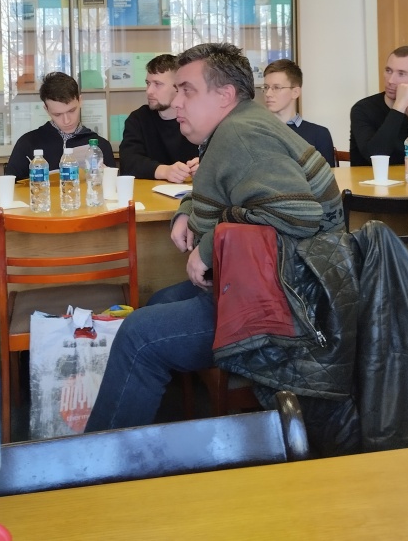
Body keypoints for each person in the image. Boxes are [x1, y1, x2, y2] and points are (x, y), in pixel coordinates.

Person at [85, 42, 344, 435]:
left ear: (225, 95)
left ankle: (101, 461)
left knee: (138, 334)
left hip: (290, 300)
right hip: (269, 280)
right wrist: (188, 209)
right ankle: (160, 432)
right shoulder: (239, 124)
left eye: (187, 91)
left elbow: (297, 213)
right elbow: (231, 187)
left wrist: (208, 247)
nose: (176, 101)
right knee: (160, 302)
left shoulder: (240, 134)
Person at [5, 72, 115, 177]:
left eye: (71, 111)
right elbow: (11, 186)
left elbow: (112, 188)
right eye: (57, 114)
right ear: (46, 109)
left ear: (80, 101)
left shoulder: (100, 146)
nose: (67, 121)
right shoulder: (28, 144)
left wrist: (106, 177)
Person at [119, 53, 199, 181]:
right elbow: (128, 162)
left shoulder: (198, 118)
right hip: (149, 192)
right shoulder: (139, 119)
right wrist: (164, 171)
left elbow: (218, 157)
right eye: (148, 83)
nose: (149, 91)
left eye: (157, 84)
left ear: (178, 87)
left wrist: (205, 165)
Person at [262, 58, 336, 166]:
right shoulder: (256, 131)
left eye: (276, 87)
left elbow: (327, 175)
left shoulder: (319, 134)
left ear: (295, 92)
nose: (268, 94)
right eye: (266, 87)